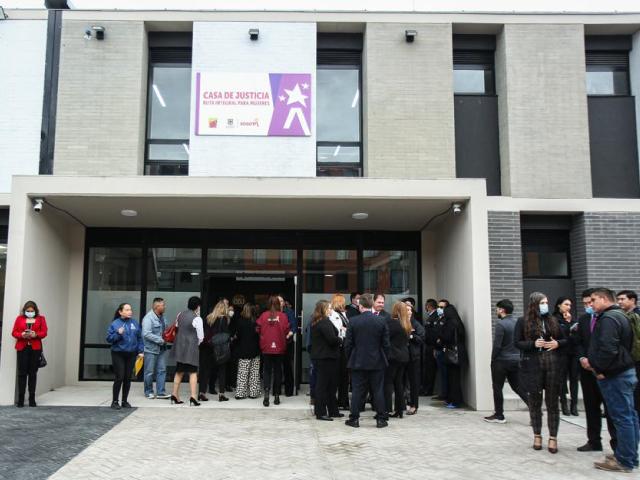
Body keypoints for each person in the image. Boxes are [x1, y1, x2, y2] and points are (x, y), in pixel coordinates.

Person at [588, 288, 639, 473]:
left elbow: (608, 349)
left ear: (603, 299)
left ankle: (624, 461)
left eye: (593, 300)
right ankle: (629, 454)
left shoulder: (609, 319)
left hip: (615, 375)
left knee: (623, 417)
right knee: (630, 416)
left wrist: (599, 369)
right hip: (624, 371)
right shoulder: (621, 316)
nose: (591, 304)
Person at [515, 292, 567, 454]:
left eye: (546, 302)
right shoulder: (523, 321)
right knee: (535, 403)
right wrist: (532, 344)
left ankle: (553, 437)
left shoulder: (553, 320)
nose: (545, 305)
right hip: (533, 366)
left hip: (552, 365)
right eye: (542, 302)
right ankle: (537, 435)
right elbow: (517, 343)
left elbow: (566, 340)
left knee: (552, 403)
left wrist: (557, 343)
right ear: (534, 304)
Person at [575, 288, 617, 452]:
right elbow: (577, 342)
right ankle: (593, 441)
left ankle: (616, 444)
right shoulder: (584, 319)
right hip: (587, 371)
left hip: (604, 371)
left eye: (591, 302)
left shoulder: (608, 319)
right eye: (585, 303)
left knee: (611, 409)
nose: (588, 306)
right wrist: (582, 359)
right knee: (591, 407)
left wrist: (598, 365)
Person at [344, 293, 390, 429]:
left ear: (360, 306)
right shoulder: (381, 321)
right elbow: (386, 344)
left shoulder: (353, 321)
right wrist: (383, 357)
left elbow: (348, 344)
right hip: (377, 361)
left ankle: (354, 419)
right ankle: (381, 419)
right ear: (371, 305)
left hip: (358, 361)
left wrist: (350, 357)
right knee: (378, 390)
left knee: (357, 391)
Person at [485, 299, 528, 423]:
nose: (496, 311)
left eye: (497, 309)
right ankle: (534, 410)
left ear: (502, 310)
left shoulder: (501, 324)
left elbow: (497, 345)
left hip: (501, 361)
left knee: (497, 387)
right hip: (515, 359)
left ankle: (499, 415)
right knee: (518, 387)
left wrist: (493, 358)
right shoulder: (518, 322)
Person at [106, 303, 144, 410]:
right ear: (120, 312)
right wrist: (118, 333)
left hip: (131, 354)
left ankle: (124, 401)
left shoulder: (134, 323)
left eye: (130, 309)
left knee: (128, 378)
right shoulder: (115, 324)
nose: (130, 312)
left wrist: (141, 351)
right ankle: (114, 402)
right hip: (118, 354)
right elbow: (109, 339)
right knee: (120, 377)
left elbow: (140, 338)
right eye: (127, 310)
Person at [256, 295, 292, 407]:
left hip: (266, 347)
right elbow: (287, 330)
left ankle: (266, 395)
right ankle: (276, 396)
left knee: (266, 371)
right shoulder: (283, 316)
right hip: (279, 347)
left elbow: (257, 328)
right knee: (278, 371)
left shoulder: (263, 315)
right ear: (278, 304)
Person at [12, 301, 48, 408]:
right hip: (22, 348)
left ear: (36, 311)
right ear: (24, 311)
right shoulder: (19, 319)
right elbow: (14, 332)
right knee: (22, 373)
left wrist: (35, 334)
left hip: (35, 349)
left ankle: (32, 398)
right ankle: (21, 399)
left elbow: (44, 332)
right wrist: (22, 334)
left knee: (33, 373)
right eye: (28, 311)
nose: (30, 312)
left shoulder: (41, 319)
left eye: (32, 311)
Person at [311, 299, 342, 421]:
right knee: (323, 386)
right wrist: (341, 339)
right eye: (329, 308)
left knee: (330, 386)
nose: (331, 310)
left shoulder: (319, 321)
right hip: (326, 358)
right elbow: (332, 339)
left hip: (324, 358)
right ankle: (321, 412)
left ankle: (333, 410)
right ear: (323, 309)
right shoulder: (324, 322)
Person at [170, 296, 204, 406]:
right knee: (193, 372)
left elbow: (176, 326)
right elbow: (201, 336)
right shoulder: (197, 318)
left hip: (180, 346)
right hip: (191, 348)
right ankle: (193, 397)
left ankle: (174, 395)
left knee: (179, 371)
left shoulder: (180, 314)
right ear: (198, 306)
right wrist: (196, 344)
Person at [554, 296, 579, 416]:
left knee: (574, 378)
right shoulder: (554, 319)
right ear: (559, 305)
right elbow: (561, 336)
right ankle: (563, 403)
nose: (568, 307)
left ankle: (574, 404)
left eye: (569, 305)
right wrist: (567, 325)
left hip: (573, 353)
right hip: (560, 353)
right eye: (566, 304)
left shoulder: (573, 320)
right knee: (561, 379)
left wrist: (570, 323)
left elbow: (576, 337)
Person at [385, 302, 411, 418]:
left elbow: (386, 339)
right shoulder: (406, 324)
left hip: (392, 357)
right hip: (403, 356)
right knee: (399, 384)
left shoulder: (391, 323)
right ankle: (399, 410)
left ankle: (387, 410)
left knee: (388, 383)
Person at [617, 289, 640, 416]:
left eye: (622, 299)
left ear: (632, 300)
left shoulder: (636, 316)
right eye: (618, 299)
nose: (619, 302)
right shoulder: (622, 316)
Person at [141, 297, 170, 400]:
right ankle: (148, 391)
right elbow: (146, 333)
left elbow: (165, 330)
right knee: (149, 372)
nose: (165, 306)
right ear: (157, 306)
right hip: (151, 349)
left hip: (162, 349)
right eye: (163, 305)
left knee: (162, 370)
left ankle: (161, 392)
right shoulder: (148, 318)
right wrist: (160, 340)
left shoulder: (162, 318)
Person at [439, 304, 466, 409]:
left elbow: (446, 337)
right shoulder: (458, 322)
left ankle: (455, 401)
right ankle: (453, 399)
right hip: (459, 354)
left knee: (453, 379)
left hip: (452, 355)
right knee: (455, 378)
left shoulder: (450, 323)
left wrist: (440, 335)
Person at [233, 302, 262, 399]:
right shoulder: (256, 322)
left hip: (243, 350)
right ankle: (253, 393)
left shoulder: (240, 321)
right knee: (254, 373)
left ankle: (240, 393)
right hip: (255, 350)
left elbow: (238, 336)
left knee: (243, 372)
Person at [206, 300, 232, 402]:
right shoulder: (225, 319)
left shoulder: (210, 318)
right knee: (222, 370)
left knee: (212, 368)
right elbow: (226, 333)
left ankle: (209, 388)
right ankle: (221, 394)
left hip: (211, 346)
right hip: (222, 347)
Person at [329, 293, 350, 410]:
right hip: (340, 349)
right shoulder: (335, 315)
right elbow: (339, 331)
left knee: (344, 376)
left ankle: (343, 400)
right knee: (340, 376)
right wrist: (347, 330)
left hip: (343, 348)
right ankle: (340, 401)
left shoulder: (342, 314)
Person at [404, 300, 425, 415]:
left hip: (413, 357)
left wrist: (411, 335)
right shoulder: (399, 323)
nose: (409, 312)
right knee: (401, 381)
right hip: (401, 356)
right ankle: (403, 404)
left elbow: (421, 338)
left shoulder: (416, 324)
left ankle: (413, 405)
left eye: (410, 310)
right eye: (406, 310)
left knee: (413, 382)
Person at [433, 299, 450, 401]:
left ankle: (445, 394)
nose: (439, 309)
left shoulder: (446, 320)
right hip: (438, 349)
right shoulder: (439, 319)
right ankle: (442, 393)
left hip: (444, 351)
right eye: (438, 307)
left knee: (445, 374)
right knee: (441, 373)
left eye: (442, 307)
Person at [280, 296, 296, 397]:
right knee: (276, 367)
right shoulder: (272, 312)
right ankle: (276, 390)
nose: (280, 302)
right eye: (278, 301)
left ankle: (289, 390)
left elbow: (294, 326)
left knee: (287, 366)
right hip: (275, 343)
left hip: (286, 342)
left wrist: (289, 334)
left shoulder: (288, 311)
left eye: (281, 300)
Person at [422, 298, 439, 396]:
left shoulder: (434, 317)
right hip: (429, 346)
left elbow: (433, 333)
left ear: (429, 306)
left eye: (426, 305)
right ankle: (427, 388)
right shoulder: (431, 316)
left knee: (430, 369)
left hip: (431, 346)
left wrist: (433, 346)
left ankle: (428, 390)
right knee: (428, 369)